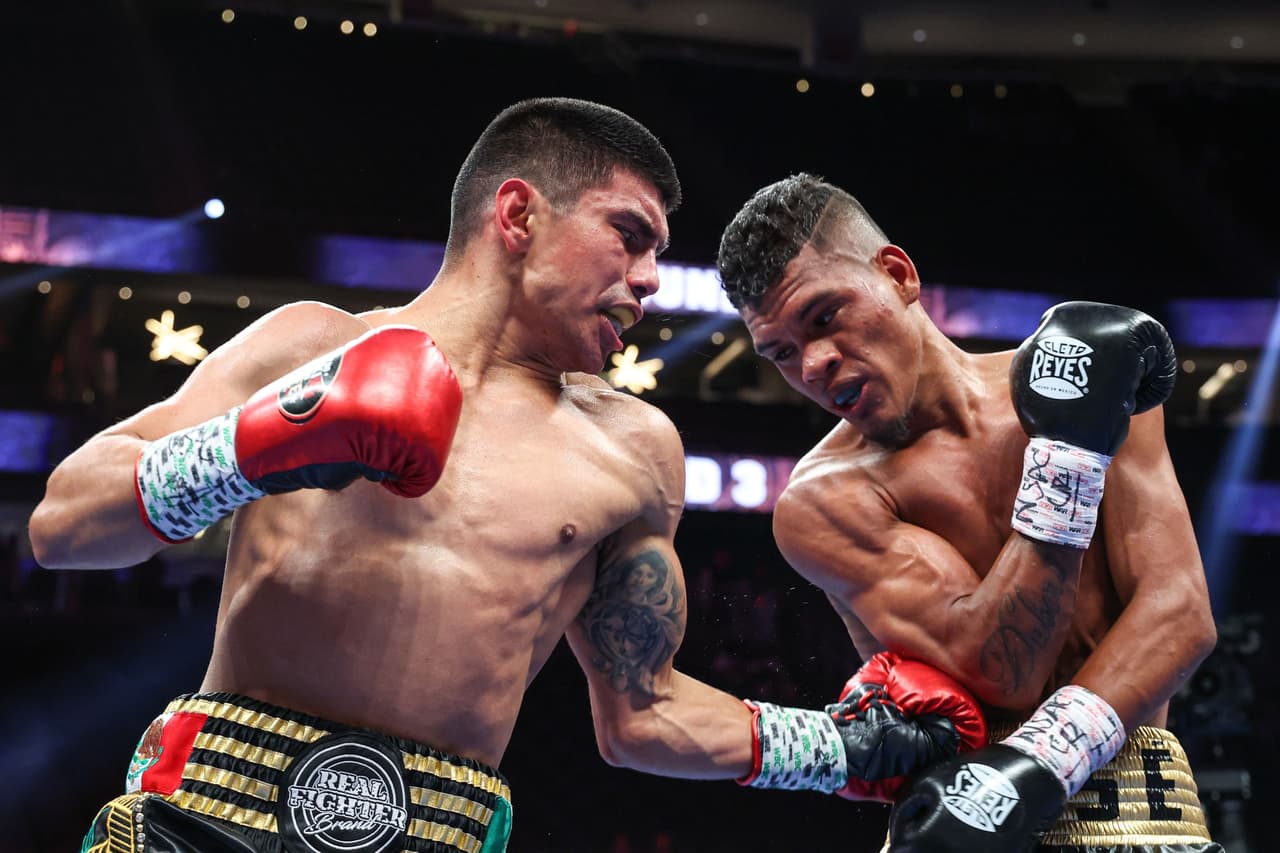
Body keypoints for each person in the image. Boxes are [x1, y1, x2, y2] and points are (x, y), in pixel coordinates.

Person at [31, 102, 984, 853]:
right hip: (207, 815)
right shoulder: (312, 346)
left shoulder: (631, 449)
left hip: (442, 829)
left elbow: (643, 712)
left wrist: (845, 749)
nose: (651, 278)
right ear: (519, 214)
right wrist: (256, 444)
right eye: (630, 234)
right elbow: (63, 525)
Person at [717, 172, 1222, 852]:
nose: (812, 365)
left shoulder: (1089, 375)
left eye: (825, 317)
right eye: (781, 352)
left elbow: (1181, 613)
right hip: (961, 824)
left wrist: (1037, 766)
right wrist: (1067, 456)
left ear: (897, 274)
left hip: (1140, 806)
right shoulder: (823, 501)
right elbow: (1004, 668)